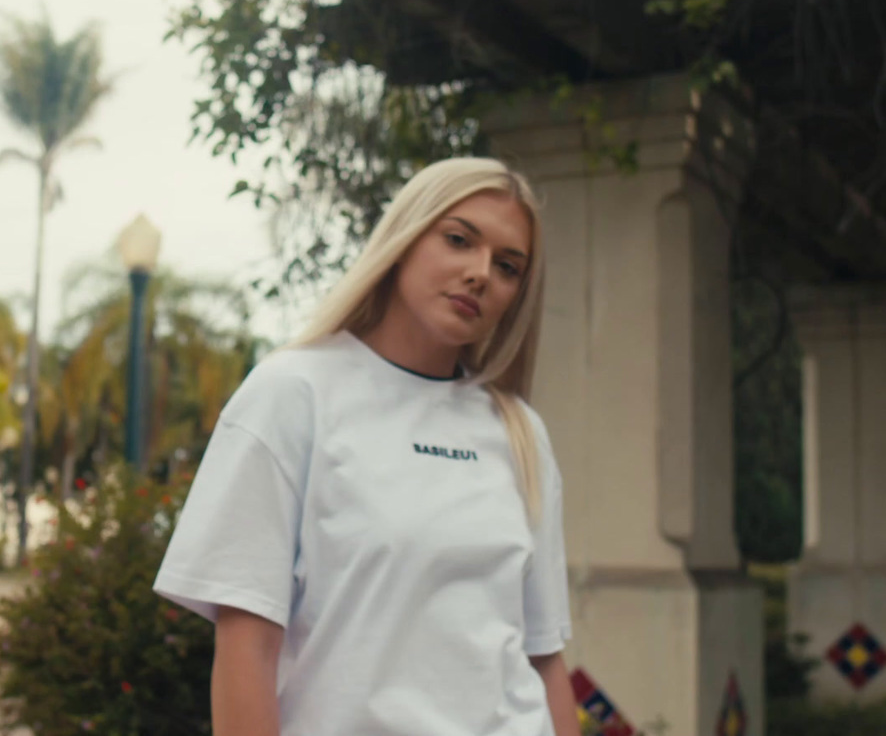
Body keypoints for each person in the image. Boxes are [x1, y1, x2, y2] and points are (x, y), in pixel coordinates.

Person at [154, 156, 581, 736]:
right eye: (458, 240)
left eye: (508, 267)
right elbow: (245, 647)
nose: (481, 273)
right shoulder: (293, 394)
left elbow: (544, 659)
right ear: (404, 239)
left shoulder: (521, 434)